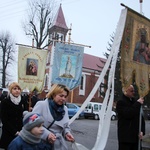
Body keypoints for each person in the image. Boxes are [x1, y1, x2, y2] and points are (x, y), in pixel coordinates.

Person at [32, 84, 75, 150]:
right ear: (53, 95)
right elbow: (33, 123)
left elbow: (65, 126)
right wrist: (47, 135)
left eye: (65, 96)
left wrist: (67, 133)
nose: (63, 99)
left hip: (58, 146)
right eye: (61, 96)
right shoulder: (41, 105)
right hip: (42, 144)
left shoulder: (65, 109)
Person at [116, 85, 145, 150]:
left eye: (134, 91)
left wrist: (142, 131)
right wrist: (137, 104)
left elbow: (141, 117)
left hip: (136, 137)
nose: (133, 92)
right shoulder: (121, 102)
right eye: (131, 91)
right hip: (126, 138)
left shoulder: (135, 102)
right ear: (125, 91)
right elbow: (128, 114)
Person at [0, 82, 27, 149]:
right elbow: (4, 119)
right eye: (14, 89)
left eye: (18, 89)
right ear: (11, 90)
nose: (17, 90)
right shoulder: (5, 102)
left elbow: (24, 116)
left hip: (21, 132)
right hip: (9, 132)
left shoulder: (23, 101)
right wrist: (14, 131)